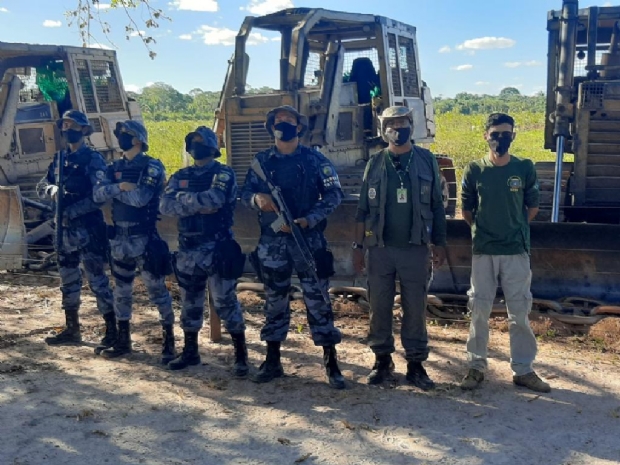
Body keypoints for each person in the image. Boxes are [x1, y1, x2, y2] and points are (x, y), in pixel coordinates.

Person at [240, 105, 345, 389]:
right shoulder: (262, 161)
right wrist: (257, 200)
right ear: (271, 127)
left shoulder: (315, 160)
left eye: (288, 121)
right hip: (273, 244)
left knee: (318, 301)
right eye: (277, 121)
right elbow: (245, 193)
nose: (282, 124)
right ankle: (272, 359)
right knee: (275, 300)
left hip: (308, 242)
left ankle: (331, 362)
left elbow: (335, 194)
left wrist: (309, 219)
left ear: (299, 127)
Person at [353, 106, 447, 390]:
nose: (397, 127)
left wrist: (439, 243)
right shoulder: (375, 162)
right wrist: (358, 246)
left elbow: (438, 206)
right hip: (380, 249)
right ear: (383, 129)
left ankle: (416, 365)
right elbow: (362, 209)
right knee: (379, 307)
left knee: (415, 307)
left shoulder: (425, 160)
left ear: (411, 125)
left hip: (415, 248)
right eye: (391, 123)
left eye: (402, 122)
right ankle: (382, 361)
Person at [460, 112, 550, 393]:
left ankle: (523, 369)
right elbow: (466, 209)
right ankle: (476, 367)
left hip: (516, 250)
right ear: (486, 135)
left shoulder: (524, 167)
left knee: (520, 310)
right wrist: (484, 231)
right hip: (484, 250)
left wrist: (513, 230)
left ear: (514, 135)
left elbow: (531, 207)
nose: (501, 138)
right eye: (496, 133)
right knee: (479, 309)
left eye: (506, 133)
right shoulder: (475, 170)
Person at [160, 126, 248, 376]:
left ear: (211, 146)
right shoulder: (180, 174)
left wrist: (184, 199)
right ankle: (190, 352)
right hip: (188, 248)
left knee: (225, 302)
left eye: (200, 141)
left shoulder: (223, 173)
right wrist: (195, 203)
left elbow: (216, 199)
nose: (195, 145)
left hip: (217, 247)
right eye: (192, 141)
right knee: (189, 303)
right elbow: (165, 205)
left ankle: (241, 356)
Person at [93, 120, 175, 362]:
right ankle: (123, 340)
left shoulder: (152, 166)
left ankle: (169, 341)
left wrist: (114, 190)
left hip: (145, 239)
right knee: (121, 292)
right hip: (119, 239)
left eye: (125, 134)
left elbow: (141, 198)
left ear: (138, 139)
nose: (121, 137)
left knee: (157, 291)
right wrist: (121, 186)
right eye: (119, 134)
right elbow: (97, 194)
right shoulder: (114, 167)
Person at [37, 110, 115, 350]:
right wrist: (52, 191)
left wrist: (72, 211)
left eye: (72, 125)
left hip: (88, 230)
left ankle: (113, 331)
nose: (67, 129)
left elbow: (99, 197)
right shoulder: (59, 158)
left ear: (83, 129)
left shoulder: (93, 159)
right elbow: (42, 186)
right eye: (65, 125)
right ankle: (72, 329)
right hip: (64, 231)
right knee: (68, 280)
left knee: (97, 281)